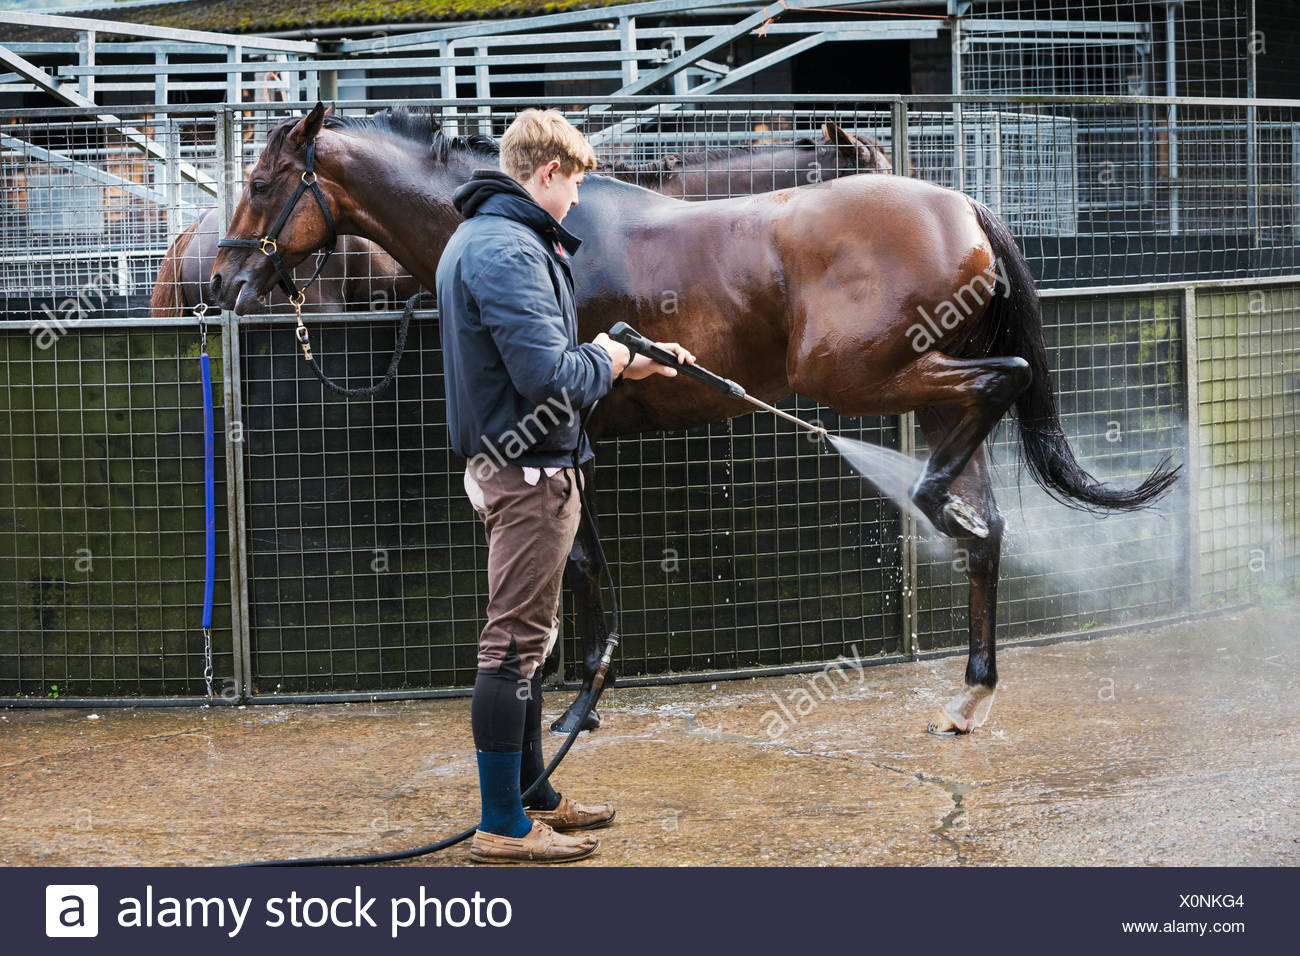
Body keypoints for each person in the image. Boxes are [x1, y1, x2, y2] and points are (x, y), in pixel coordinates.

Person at [435, 108, 696, 864]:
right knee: (514, 645)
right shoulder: (510, 250)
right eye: (575, 181)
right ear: (546, 172)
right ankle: (502, 827)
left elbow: (541, 362)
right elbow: (549, 377)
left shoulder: (484, 237)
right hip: (527, 477)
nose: (579, 198)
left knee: (532, 639)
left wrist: (626, 361)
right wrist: (612, 359)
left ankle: (533, 797)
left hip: (519, 464)